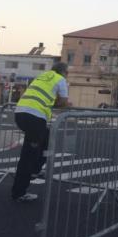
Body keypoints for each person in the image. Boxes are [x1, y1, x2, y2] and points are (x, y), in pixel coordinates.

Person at [11, 62, 70, 202]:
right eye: (67, 73)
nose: (68, 75)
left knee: (47, 139)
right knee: (28, 156)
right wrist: (61, 103)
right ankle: (19, 192)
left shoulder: (42, 76)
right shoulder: (60, 80)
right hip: (35, 117)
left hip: (21, 113)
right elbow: (63, 102)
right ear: (63, 72)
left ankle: (35, 169)